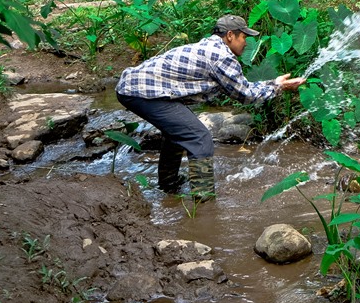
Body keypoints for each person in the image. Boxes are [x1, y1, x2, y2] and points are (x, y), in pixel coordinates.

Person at [116, 14, 305, 201]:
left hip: (136, 88)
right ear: (230, 35)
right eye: (244, 37)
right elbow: (246, 96)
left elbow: (243, 88)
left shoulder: (211, 47)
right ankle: (203, 200)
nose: (246, 43)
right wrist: (280, 87)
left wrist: (274, 83)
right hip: (140, 92)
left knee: (179, 132)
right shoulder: (221, 56)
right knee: (199, 137)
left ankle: (168, 185)